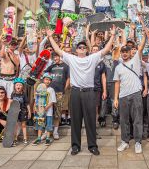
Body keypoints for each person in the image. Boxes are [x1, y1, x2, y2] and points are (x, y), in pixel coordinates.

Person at [46, 26, 116, 155]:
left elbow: (106, 50)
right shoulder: (71, 59)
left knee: (90, 120)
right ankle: (75, 146)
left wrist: (112, 35)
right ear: (76, 50)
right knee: (76, 120)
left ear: (87, 50)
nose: (82, 49)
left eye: (84, 47)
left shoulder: (93, 58)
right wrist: (50, 36)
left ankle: (92, 146)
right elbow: (57, 50)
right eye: (80, 47)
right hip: (76, 92)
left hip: (89, 92)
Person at [114, 35, 147, 154]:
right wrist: (116, 98)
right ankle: (125, 141)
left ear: (130, 52)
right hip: (123, 96)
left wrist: (144, 34)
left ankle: (138, 142)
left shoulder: (136, 60)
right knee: (124, 120)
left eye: (126, 51)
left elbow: (141, 46)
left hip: (136, 94)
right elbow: (117, 83)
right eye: (122, 52)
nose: (124, 53)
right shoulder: (118, 67)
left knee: (137, 119)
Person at [44, 52, 69, 140]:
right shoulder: (51, 66)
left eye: (57, 57)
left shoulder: (66, 66)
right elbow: (45, 73)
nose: (55, 59)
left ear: (60, 57)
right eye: (54, 58)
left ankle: (55, 131)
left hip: (59, 92)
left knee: (58, 112)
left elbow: (68, 78)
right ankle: (46, 131)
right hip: (50, 92)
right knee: (48, 112)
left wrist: (64, 89)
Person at [33, 73, 57, 146]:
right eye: (46, 79)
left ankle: (47, 138)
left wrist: (47, 107)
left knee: (48, 125)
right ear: (43, 80)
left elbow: (53, 101)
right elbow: (36, 99)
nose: (48, 81)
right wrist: (35, 107)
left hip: (49, 111)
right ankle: (39, 138)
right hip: (40, 111)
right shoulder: (39, 88)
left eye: (49, 80)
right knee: (40, 124)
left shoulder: (51, 90)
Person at [11, 77, 31, 145]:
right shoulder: (13, 94)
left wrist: (29, 112)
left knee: (23, 125)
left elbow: (27, 104)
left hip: (23, 111)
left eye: (20, 85)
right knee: (16, 125)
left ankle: (25, 138)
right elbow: (11, 103)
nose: (18, 86)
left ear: (22, 86)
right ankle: (15, 138)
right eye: (17, 85)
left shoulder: (24, 94)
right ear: (14, 86)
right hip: (15, 112)